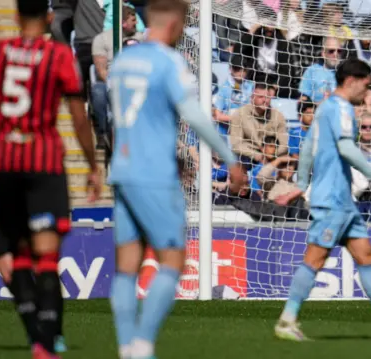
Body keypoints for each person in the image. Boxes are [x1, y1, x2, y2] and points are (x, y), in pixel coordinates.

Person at [0, 1, 101, 357]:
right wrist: (93, 165)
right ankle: (46, 342)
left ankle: (39, 338)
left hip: (6, 166)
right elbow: (79, 118)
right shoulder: (59, 56)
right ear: (49, 18)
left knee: (17, 256)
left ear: (16, 17)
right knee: (46, 258)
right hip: (45, 164)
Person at [106, 1, 247, 358]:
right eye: (183, 25)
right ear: (172, 24)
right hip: (153, 175)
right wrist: (229, 159)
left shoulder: (122, 61)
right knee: (172, 260)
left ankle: (125, 346)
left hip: (122, 171)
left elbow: (129, 120)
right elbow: (196, 117)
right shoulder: (169, 61)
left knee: (126, 265)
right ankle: (143, 345)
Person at [273, 59, 371, 341]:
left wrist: (302, 184)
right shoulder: (341, 108)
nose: (367, 94)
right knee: (315, 259)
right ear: (352, 80)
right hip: (332, 199)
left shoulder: (325, 108)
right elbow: (343, 147)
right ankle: (286, 320)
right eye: (366, 86)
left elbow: (307, 148)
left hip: (341, 199)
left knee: (365, 256)